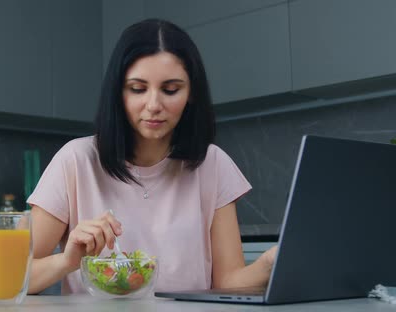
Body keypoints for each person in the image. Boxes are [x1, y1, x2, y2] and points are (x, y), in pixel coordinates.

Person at [26, 18, 277, 295]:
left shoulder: (212, 164)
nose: (154, 105)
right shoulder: (75, 160)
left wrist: (269, 262)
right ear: (118, 93)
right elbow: (11, 278)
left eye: (170, 90)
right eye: (137, 89)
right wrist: (66, 261)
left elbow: (227, 282)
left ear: (191, 93)